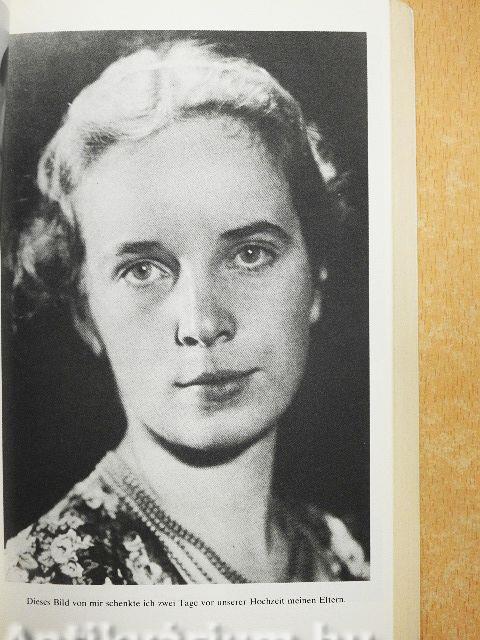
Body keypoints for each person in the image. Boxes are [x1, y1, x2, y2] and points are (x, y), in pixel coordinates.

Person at [5, 39, 369, 584]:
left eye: (250, 254)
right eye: (143, 270)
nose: (203, 324)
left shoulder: (349, 555)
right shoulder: (36, 581)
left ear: (315, 279)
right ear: (86, 312)